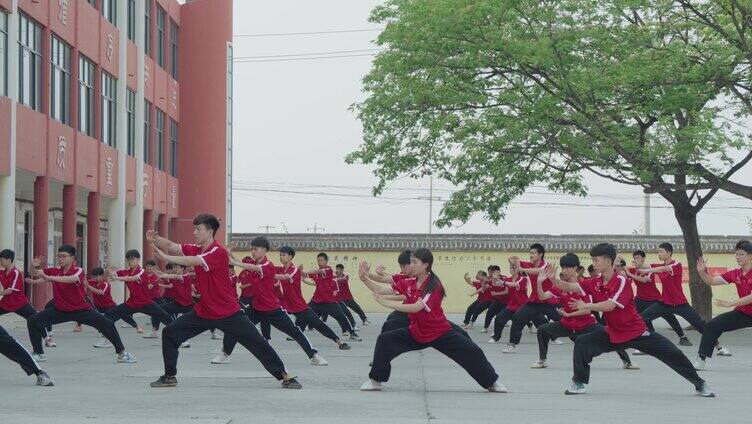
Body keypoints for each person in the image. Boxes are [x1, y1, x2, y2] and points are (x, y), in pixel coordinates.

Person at [146, 213, 301, 389]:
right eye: (194, 229)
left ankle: (285, 376)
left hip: (228, 312)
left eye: (198, 229)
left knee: (257, 342)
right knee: (170, 333)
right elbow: (171, 245)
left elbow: (192, 261)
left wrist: (165, 258)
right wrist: (155, 240)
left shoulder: (218, 252)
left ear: (210, 231)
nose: (195, 232)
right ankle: (169, 376)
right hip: (204, 311)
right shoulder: (196, 248)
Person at [550, 243, 713, 397]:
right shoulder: (595, 282)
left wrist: (587, 305)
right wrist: (552, 279)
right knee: (583, 342)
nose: (593, 263)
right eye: (592, 259)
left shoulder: (621, 281)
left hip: (636, 333)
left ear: (608, 261)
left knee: (673, 354)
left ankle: (700, 384)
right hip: (614, 333)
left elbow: (610, 306)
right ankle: (579, 383)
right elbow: (569, 287)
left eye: (596, 260)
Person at [360, 248, 506, 393]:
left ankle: (492, 382)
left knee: (473, 351)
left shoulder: (433, 285)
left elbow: (416, 307)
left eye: (414, 262)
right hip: (417, 331)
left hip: (439, 333)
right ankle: (375, 381)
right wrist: (364, 278)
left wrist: (385, 303)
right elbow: (380, 289)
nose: (411, 265)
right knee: (385, 340)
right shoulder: (410, 282)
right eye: (410, 262)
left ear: (425, 265)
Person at [214, 237, 328, 366]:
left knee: (294, 331)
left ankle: (314, 355)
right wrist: (228, 251)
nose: (253, 251)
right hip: (255, 308)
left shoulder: (268, 265)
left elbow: (247, 266)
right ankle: (225, 354)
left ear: (263, 250)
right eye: (252, 249)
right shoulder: (254, 264)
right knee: (234, 326)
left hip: (272, 308)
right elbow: (243, 263)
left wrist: (234, 262)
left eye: (255, 249)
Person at [25, 245, 137, 363]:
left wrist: (49, 277)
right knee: (33, 321)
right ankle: (38, 353)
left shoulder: (78, 270)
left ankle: (122, 353)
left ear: (72, 258)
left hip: (81, 310)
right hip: (60, 310)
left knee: (107, 324)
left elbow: (72, 279)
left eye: (63, 256)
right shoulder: (55, 271)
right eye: (59, 256)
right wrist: (34, 265)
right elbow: (36, 273)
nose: (60, 259)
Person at [530, 253, 637, 370]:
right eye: (563, 268)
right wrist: (539, 283)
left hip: (586, 325)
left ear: (575, 268)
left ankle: (627, 362)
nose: (564, 271)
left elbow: (587, 310)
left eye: (567, 268)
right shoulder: (559, 286)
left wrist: (568, 314)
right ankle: (542, 360)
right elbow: (542, 297)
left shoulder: (585, 285)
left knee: (611, 334)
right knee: (543, 330)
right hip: (567, 324)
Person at [637, 243, 729, 355]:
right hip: (665, 303)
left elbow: (663, 268)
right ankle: (647, 346)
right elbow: (647, 265)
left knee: (700, 326)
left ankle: (720, 348)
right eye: (658, 252)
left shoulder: (677, 264)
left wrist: (647, 271)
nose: (659, 254)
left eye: (661, 251)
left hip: (680, 304)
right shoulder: (658, 266)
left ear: (669, 252)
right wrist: (635, 264)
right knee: (641, 318)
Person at [693, 240, 752, 370]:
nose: (738, 257)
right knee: (712, 325)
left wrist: (731, 303)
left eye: (741, 254)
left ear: (750, 256)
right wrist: (702, 272)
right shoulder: (735, 273)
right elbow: (712, 281)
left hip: (743, 307)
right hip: (744, 313)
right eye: (736, 254)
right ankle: (701, 360)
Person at [503, 244, 562, 353]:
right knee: (517, 317)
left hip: (548, 299)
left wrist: (522, 268)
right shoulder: (529, 264)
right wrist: (513, 261)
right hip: (535, 301)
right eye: (530, 253)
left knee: (563, 320)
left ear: (540, 254)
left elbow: (538, 271)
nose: (531, 255)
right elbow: (517, 262)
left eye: (533, 253)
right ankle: (512, 345)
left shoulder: (546, 265)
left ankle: (578, 338)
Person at [624, 249, 688, 348]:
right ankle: (646, 338)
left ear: (643, 259)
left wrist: (630, 274)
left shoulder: (651, 268)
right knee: (639, 318)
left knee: (670, 317)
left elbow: (645, 280)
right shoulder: (632, 270)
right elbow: (622, 273)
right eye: (634, 258)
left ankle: (682, 337)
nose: (635, 260)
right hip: (640, 300)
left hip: (655, 299)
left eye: (638, 258)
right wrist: (619, 266)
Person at [104, 250, 174, 338]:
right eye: (128, 260)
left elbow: (133, 278)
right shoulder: (126, 272)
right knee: (110, 314)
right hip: (132, 303)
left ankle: (179, 337)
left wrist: (117, 277)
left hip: (145, 303)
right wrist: (109, 271)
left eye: (132, 259)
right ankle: (108, 339)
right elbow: (114, 274)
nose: (130, 262)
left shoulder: (142, 272)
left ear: (138, 260)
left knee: (165, 316)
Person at [0, 249, 52, 347]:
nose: (0, 262)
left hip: (20, 303)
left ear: (9, 259)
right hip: (6, 303)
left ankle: (47, 338)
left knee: (35, 318)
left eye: (2, 260)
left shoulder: (16, 272)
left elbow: (10, 291)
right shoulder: (2, 273)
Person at [304, 253, 361, 341]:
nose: (319, 262)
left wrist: (305, 271)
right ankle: (297, 333)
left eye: (321, 260)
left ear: (326, 261)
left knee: (341, 317)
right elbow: (306, 276)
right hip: (316, 301)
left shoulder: (328, 270)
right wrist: (300, 272)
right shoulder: (317, 272)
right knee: (303, 313)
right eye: (318, 260)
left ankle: (352, 334)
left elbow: (317, 272)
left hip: (328, 301)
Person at [84, 267, 139, 348]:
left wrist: (88, 286)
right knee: (97, 320)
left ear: (101, 276)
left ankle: (136, 326)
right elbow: (83, 282)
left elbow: (100, 292)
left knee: (123, 315)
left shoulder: (105, 284)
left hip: (109, 306)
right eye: (93, 277)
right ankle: (105, 336)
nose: (94, 278)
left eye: (96, 276)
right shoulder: (92, 282)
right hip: (98, 306)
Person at [489, 263, 529, 344]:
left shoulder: (523, 278)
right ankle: (496, 337)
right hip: (512, 305)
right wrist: (494, 277)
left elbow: (515, 284)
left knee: (540, 319)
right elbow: (495, 284)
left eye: (514, 267)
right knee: (499, 318)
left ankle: (553, 337)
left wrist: (503, 283)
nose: (512, 269)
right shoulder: (508, 279)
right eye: (510, 267)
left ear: (518, 269)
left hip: (523, 305)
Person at [481, 265, 509, 333]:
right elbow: (483, 288)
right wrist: (484, 282)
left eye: (495, 272)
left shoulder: (505, 279)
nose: (493, 273)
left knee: (515, 315)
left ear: (499, 271)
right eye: (492, 272)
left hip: (507, 301)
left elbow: (507, 291)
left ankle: (530, 326)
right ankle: (485, 327)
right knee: (490, 312)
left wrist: (496, 294)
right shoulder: (490, 280)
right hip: (497, 300)